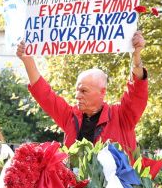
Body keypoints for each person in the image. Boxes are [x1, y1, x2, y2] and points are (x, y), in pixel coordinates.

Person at [16, 31, 148, 155]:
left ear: (102, 92)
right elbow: (45, 95)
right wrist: (27, 60)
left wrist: (136, 56)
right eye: (77, 90)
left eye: (84, 91)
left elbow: (137, 91)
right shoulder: (70, 116)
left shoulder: (121, 116)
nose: (77, 95)